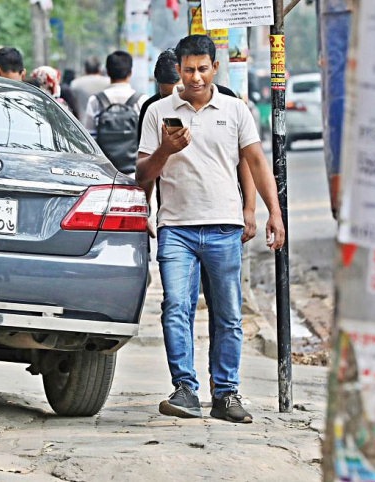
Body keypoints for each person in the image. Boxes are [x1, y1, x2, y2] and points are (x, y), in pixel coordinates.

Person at [136, 35, 285, 424]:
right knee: (175, 308)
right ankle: (184, 390)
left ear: (214, 68)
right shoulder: (158, 112)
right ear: (179, 71)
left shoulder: (235, 110)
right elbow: (142, 174)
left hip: (224, 226)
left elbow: (255, 162)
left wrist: (272, 212)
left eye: (203, 68)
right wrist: (166, 150)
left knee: (228, 315)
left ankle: (226, 394)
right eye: (189, 70)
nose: (196, 77)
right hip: (177, 228)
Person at [82, 51, 146, 137]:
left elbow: (90, 137)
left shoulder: (95, 101)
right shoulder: (142, 101)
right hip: (135, 150)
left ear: (107, 72)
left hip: (103, 150)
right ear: (130, 72)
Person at [70, 56, 110, 121]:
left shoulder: (75, 84)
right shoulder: (108, 83)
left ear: (85, 69)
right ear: (99, 69)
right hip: (104, 124)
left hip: (82, 126)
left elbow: (74, 107)